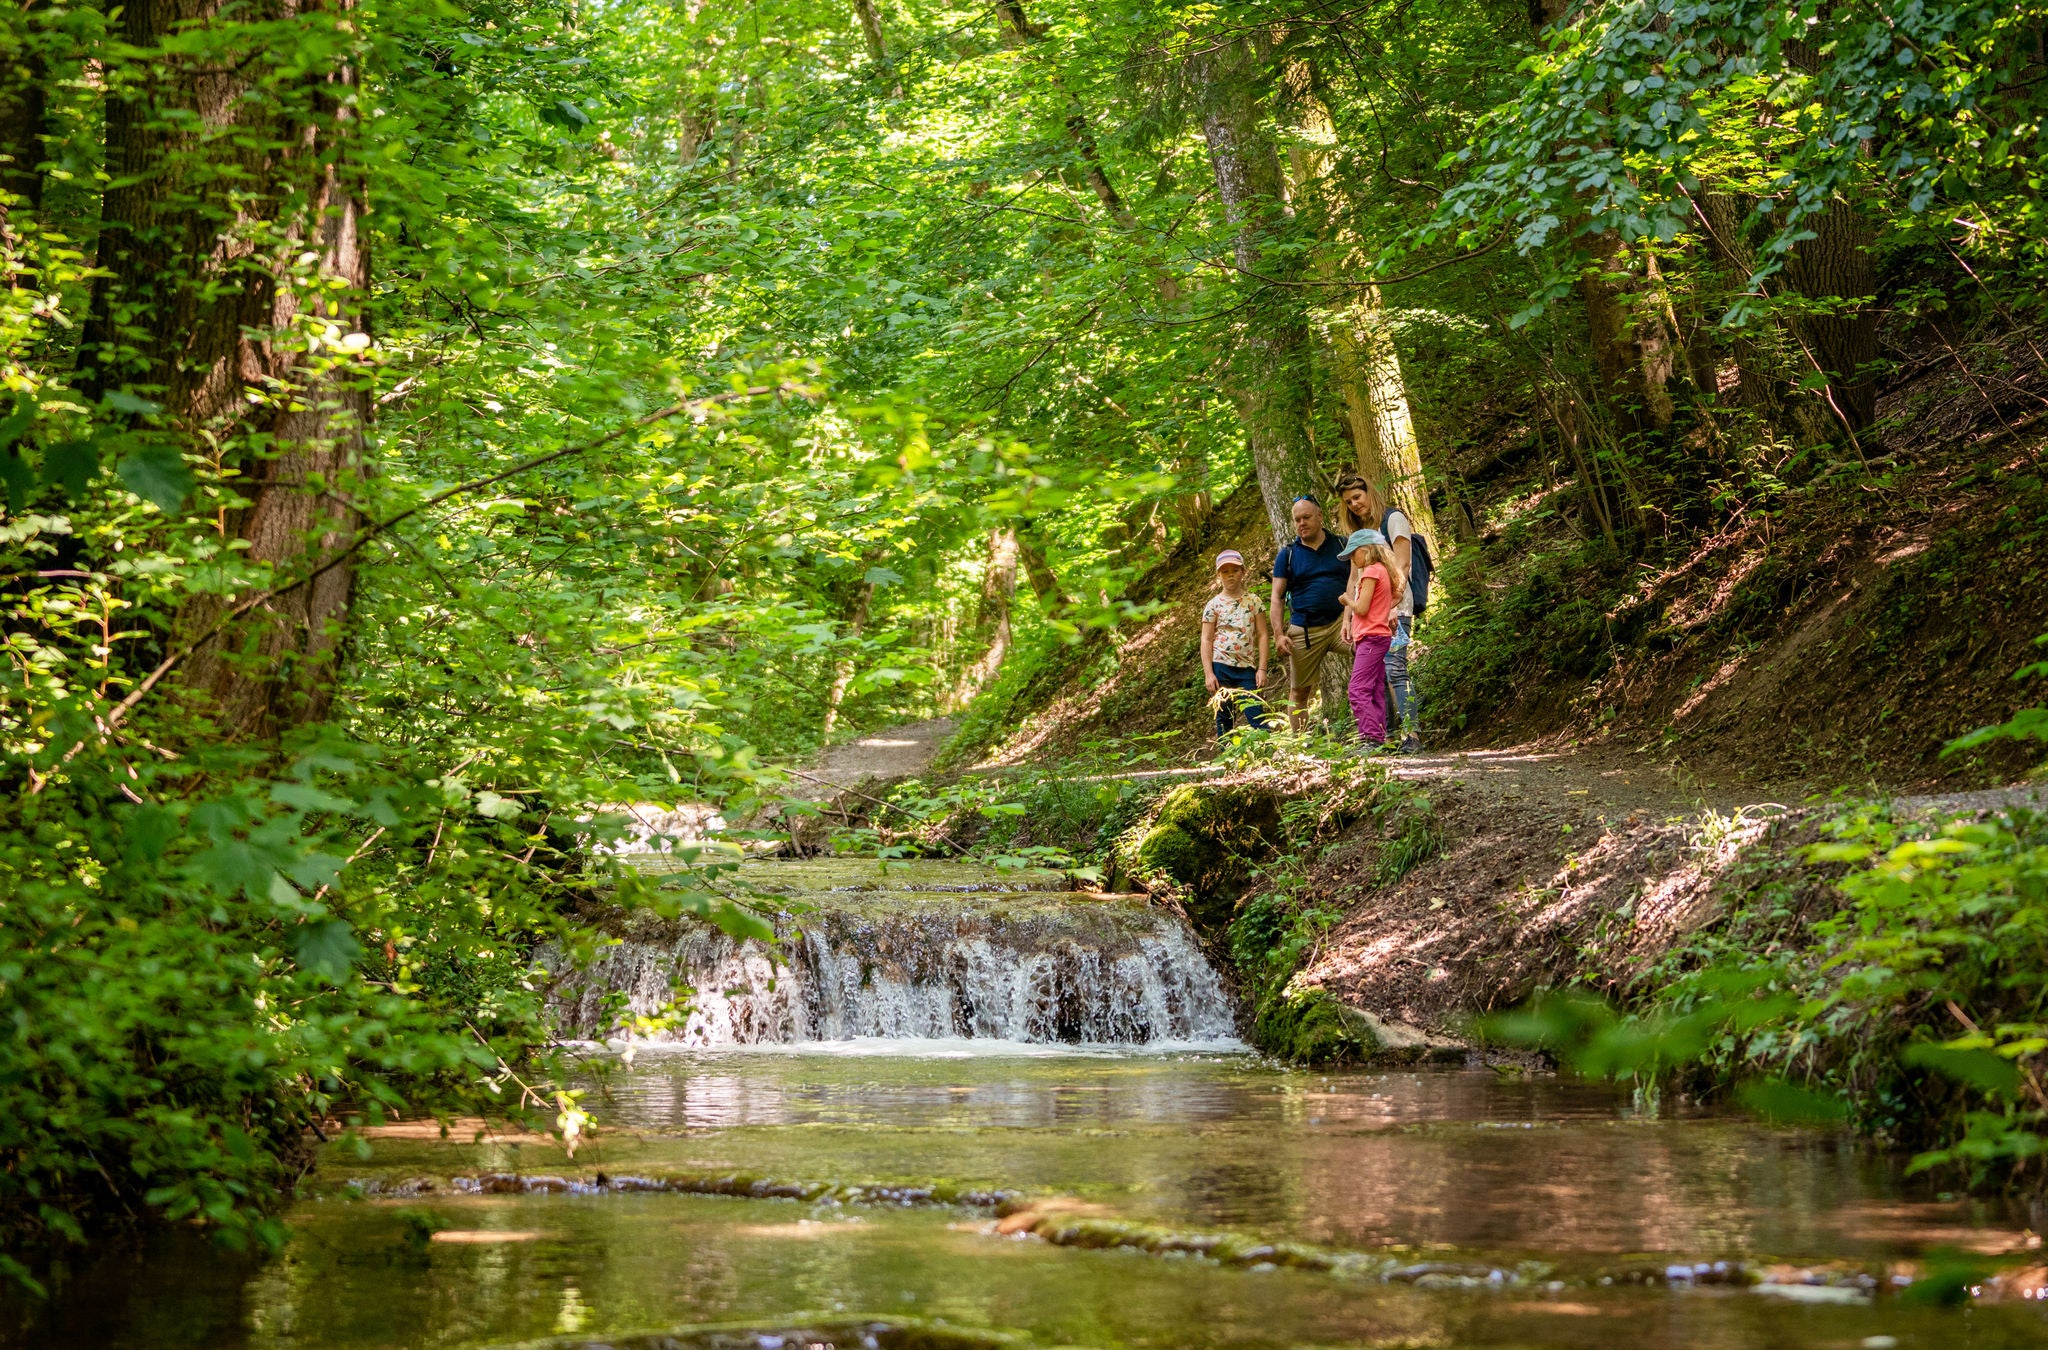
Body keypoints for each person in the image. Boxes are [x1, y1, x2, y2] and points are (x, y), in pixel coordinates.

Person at [1335, 475, 1422, 752]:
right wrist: (1347, 619)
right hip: (1366, 616)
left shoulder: (1393, 519)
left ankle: (1412, 735)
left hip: (1397, 609)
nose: (1354, 504)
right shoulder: (1359, 534)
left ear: (1369, 492)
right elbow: (1353, 578)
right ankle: (1383, 737)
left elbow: (1403, 563)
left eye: (1357, 497)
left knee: (1395, 669)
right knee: (1375, 677)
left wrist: (1391, 609)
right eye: (1348, 502)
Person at [1268, 496, 1352, 732]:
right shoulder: (1288, 555)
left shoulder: (1342, 545)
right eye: (1297, 520)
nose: (1301, 523)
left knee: (1373, 656)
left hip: (1341, 624)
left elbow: (1359, 580)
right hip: (1304, 630)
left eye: (1306, 517)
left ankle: (1384, 726)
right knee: (1300, 690)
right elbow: (1276, 597)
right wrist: (1278, 634)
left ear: (1320, 516)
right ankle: (1300, 746)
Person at [1338, 528, 1402, 746]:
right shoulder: (1383, 570)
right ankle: (1380, 736)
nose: (1352, 561)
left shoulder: (1371, 572)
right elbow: (1396, 596)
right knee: (1374, 689)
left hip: (1372, 637)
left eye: (1353, 554)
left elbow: (1362, 608)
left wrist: (1348, 600)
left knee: (1357, 689)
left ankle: (1371, 738)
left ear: (1365, 550)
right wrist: (1381, 611)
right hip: (1378, 636)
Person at [1199, 549, 1272, 738]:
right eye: (1225, 571)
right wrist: (1208, 673)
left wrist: (1262, 669)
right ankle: (1227, 758)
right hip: (1221, 666)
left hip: (1246, 668)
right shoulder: (1213, 605)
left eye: (1234, 570)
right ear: (1219, 575)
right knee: (1224, 716)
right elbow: (1206, 639)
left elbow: (1263, 634)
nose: (1230, 575)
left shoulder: (1253, 601)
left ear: (1243, 572)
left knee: (1256, 713)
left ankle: (1268, 752)